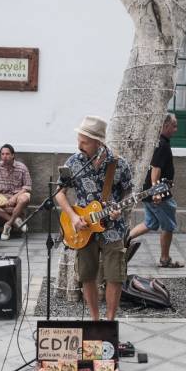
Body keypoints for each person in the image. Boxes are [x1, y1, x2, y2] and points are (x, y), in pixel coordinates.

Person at [55, 115, 133, 320]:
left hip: (113, 228)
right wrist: (72, 217)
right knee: (87, 275)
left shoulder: (119, 164)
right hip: (83, 228)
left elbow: (128, 194)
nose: (79, 145)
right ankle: (94, 320)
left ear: (99, 143)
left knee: (115, 276)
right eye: (79, 140)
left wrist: (119, 209)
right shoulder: (73, 162)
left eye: (84, 142)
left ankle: (109, 322)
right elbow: (59, 193)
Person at [127, 114, 185, 268]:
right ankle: (165, 259)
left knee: (150, 223)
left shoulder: (158, 142)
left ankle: (123, 240)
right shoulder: (162, 144)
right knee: (169, 226)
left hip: (151, 191)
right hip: (158, 193)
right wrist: (156, 191)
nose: (176, 129)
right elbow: (156, 168)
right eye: (174, 126)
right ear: (165, 126)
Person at [0, 144, 32, 241]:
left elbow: (27, 187)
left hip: (19, 193)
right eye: (2, 154)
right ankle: (15, 221)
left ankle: (7, 225)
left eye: (7, 154)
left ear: (13, 155)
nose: (5, 156)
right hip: (3, 195)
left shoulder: (22, 167)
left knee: (24, 199)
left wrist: (15, 197)